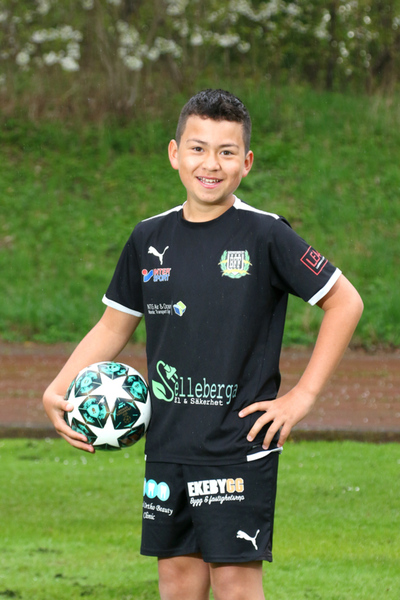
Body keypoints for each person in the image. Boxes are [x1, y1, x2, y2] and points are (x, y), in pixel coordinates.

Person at [43, 89, 363, 600]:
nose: (210, 164)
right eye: (198, 148)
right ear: (175, 154)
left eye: (226, 151)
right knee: (177, 581)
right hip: (168, 442)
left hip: (238, 443)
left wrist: (302, 397)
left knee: (235, 584)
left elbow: (345, 302)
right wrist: (57, 389)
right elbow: (112, 326)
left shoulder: (265, 234)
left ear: (246, 162)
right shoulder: (148, 237)